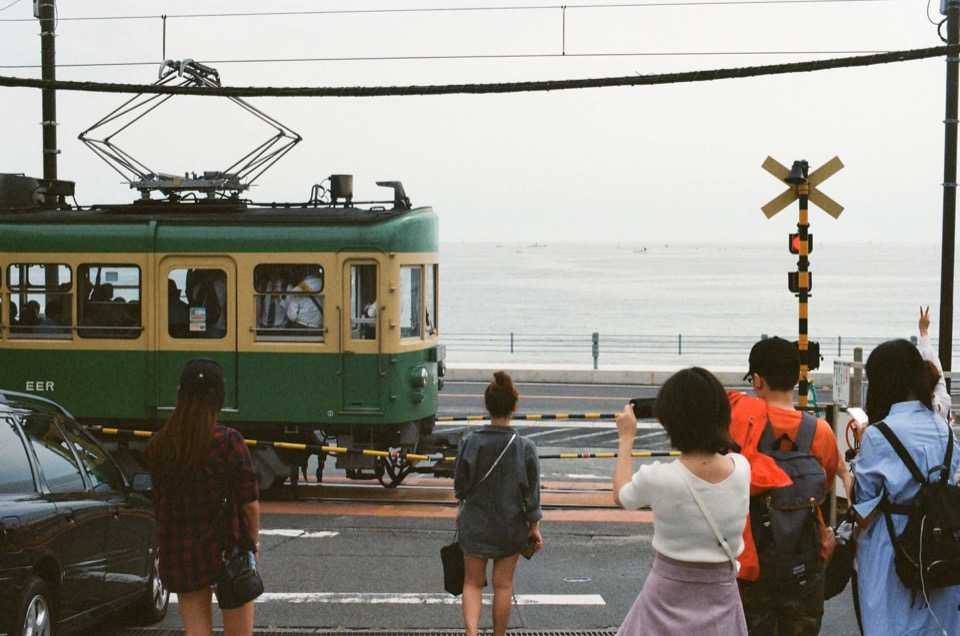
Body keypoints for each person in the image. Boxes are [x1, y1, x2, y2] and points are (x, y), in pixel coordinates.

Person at [613, 367, 750, 636]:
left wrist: (626, 438)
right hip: (721, 596)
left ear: (669, 422)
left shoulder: (659, 477)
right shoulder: (742, 469)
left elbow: (622, 496)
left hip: (665, 596)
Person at [728, 336, 841, 635]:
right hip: (805, 561)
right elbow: (824, 488)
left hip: (752, 560)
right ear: (798, 378)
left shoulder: (740, 424)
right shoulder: (821, 432)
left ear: (757, 381)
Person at [144, 358, 260, 636]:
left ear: (179, 394)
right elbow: (250, 505)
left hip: (182, 551)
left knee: (196, 630)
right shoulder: (230, 441)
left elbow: (160, 504)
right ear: (220, 399)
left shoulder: (161, 444)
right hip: (227, 548)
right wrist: (252, 545)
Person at [852, 339, 960, 635]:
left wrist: (845, 472)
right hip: (939, 552)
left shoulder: (877, 435)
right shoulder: (944, 428)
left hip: (892, 555)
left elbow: (863, 513)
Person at [453, 371, 542, 636]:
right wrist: (534, 527)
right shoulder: (524, 447)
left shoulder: (471, 442)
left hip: (475, 524)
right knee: (503, 586)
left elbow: (460, 486)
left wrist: (462, 509)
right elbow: (532, 495)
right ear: (515, 406)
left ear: (486, 405)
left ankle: (471, 633)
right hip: (510, 526)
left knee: (472, 583)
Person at [917, 305, 952, 423]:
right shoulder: (943, 401)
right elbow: (930, 355)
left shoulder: (912, 407)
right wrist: (924, 331)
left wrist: (923, 330)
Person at [285, 266, 323, 330]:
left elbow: (292, 316)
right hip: (319, 327)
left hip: (301, 328)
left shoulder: (298, 289)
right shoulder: (323, 283)